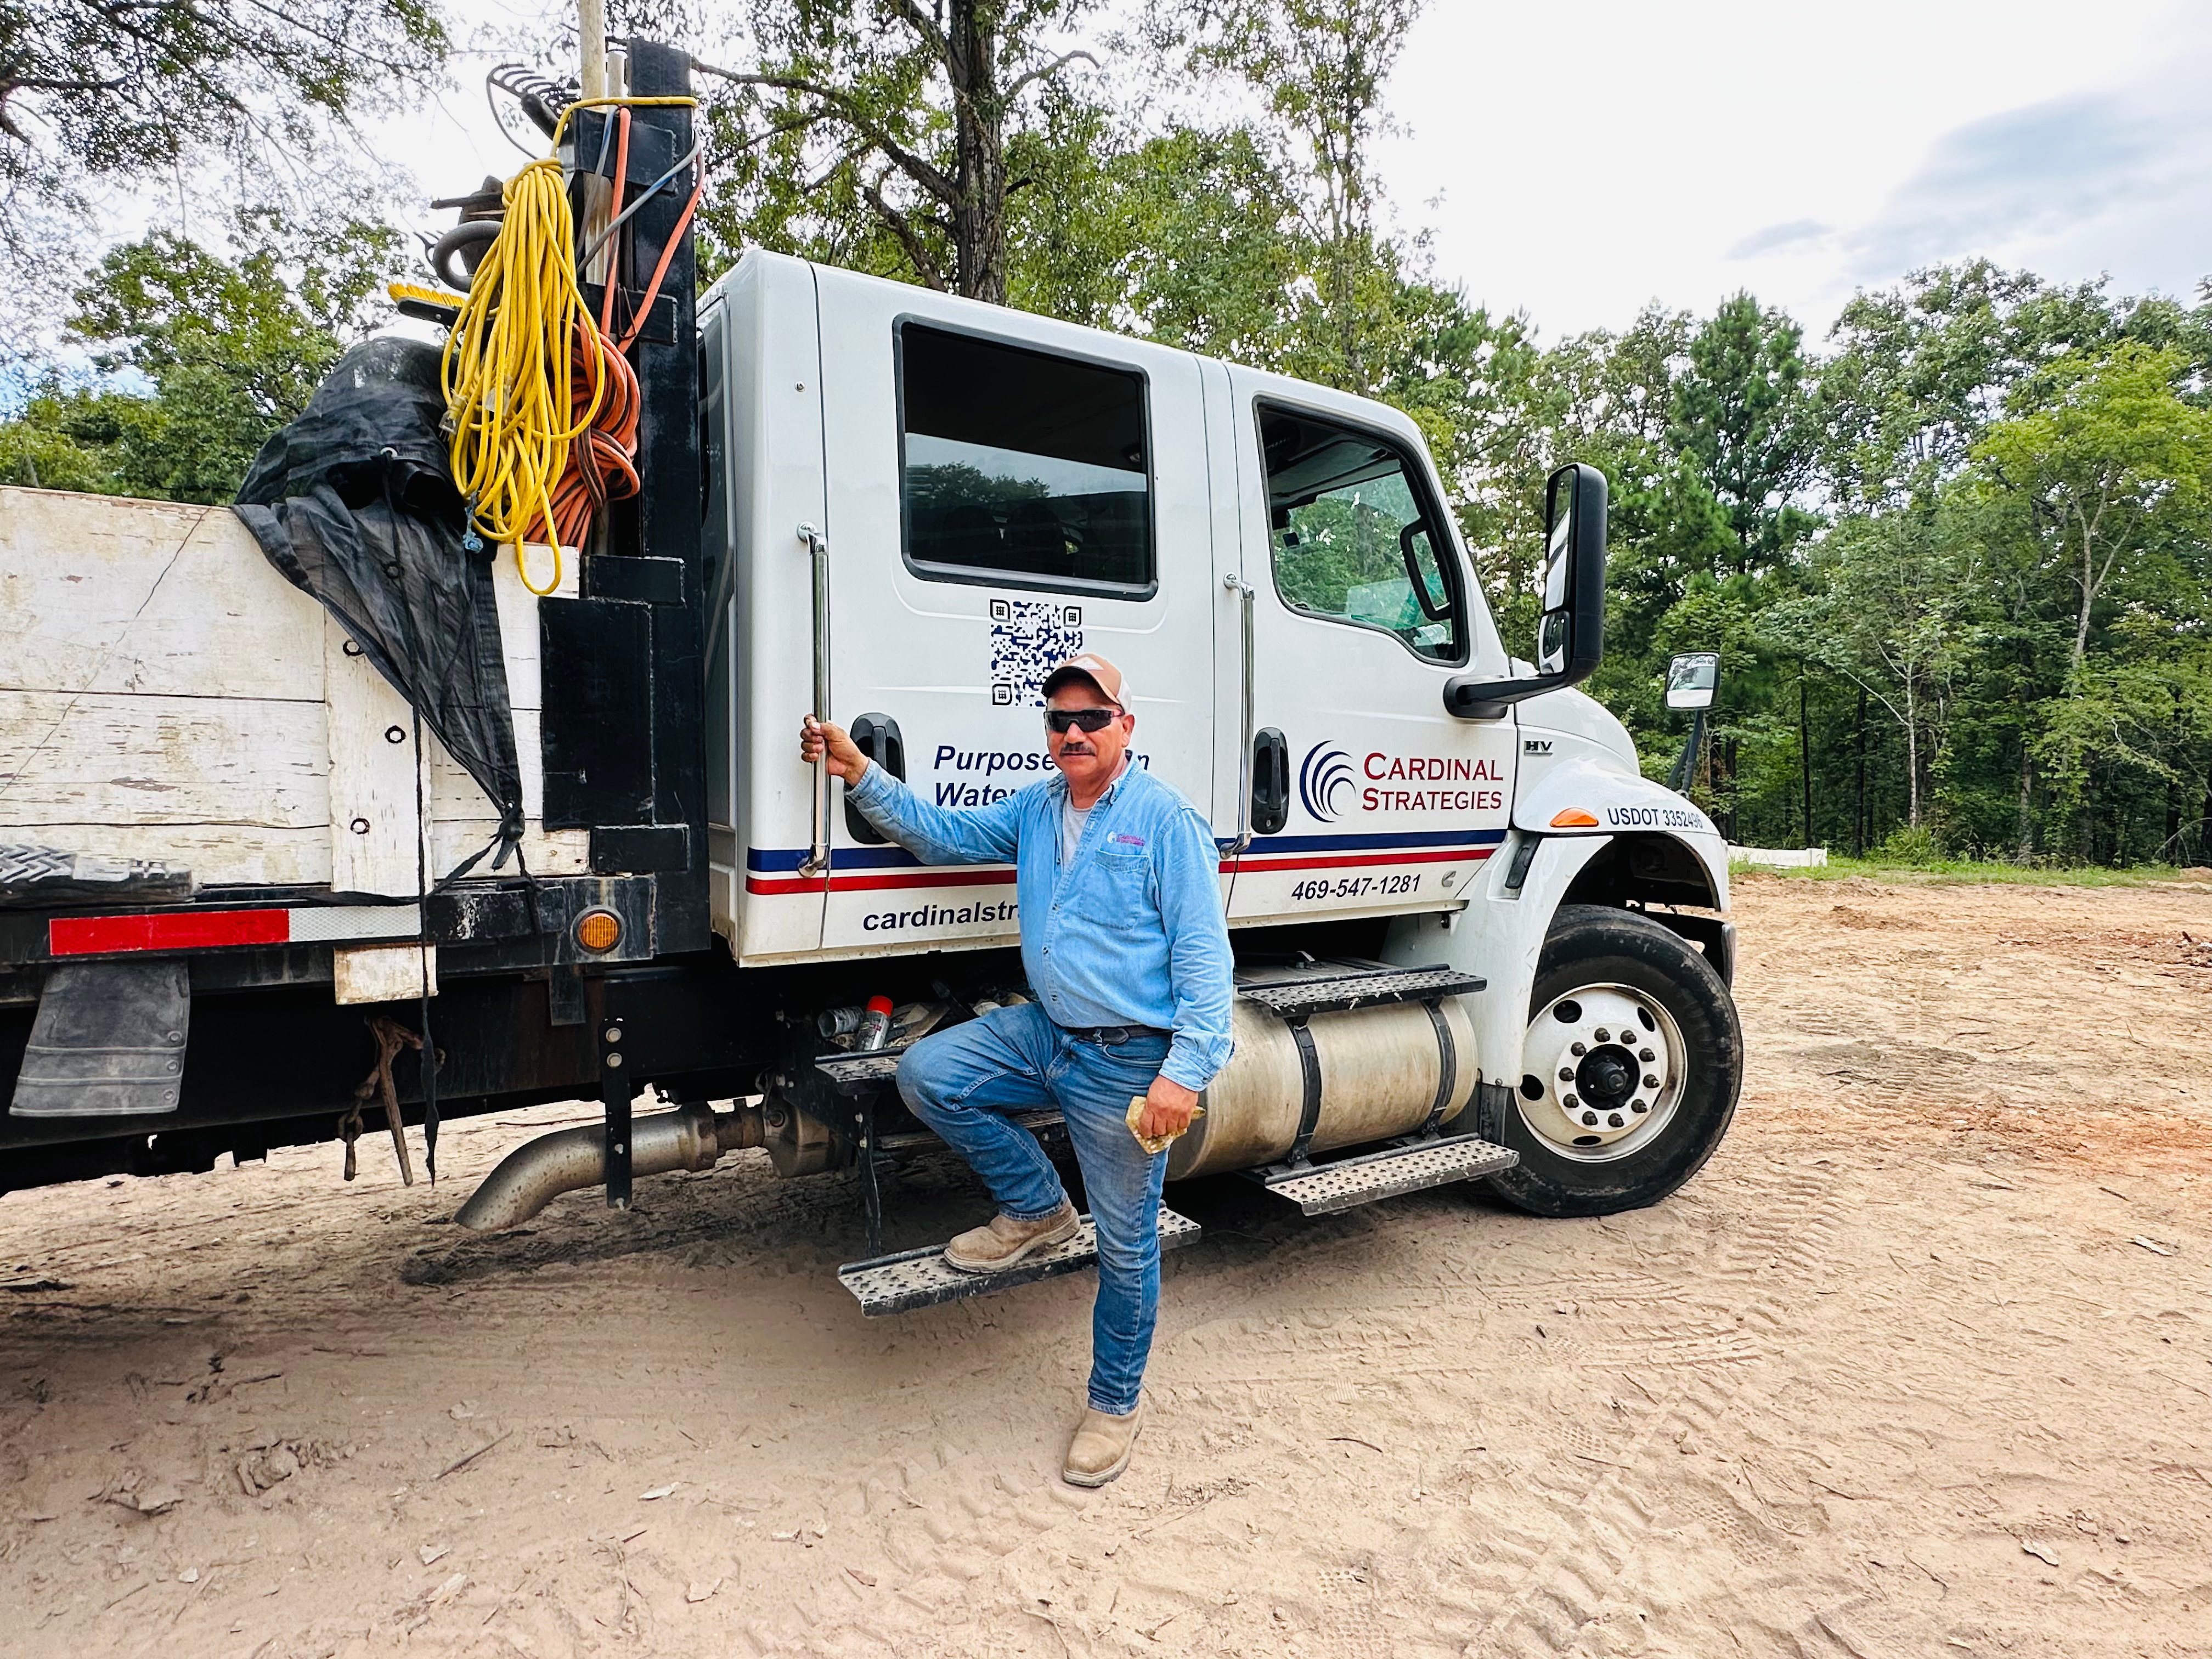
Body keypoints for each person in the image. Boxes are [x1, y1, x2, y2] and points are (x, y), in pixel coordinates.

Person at [800, 653, 1234, 1487]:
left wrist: (1184, 1073)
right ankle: (1039, 1208)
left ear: (1125, 727)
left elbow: (1205, 963)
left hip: (1127, 1060)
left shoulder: (1164, 820)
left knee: (1129, 1247)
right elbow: (946, 837)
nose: (1073, 733)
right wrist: (860, 774)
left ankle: (1114, 1405)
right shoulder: (1038, 809)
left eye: (1091, 718)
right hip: (1049, 1032)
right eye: (1058, 720)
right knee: (928, 1073)